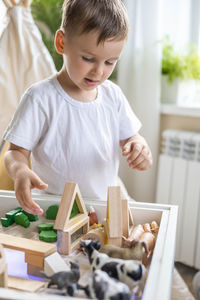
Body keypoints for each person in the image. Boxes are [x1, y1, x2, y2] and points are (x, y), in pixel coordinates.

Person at [3, 0, 152, 215]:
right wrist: (19, 170)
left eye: (110, 62)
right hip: (53, 210)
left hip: (102, 209)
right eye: (88, 58)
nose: (99, 71)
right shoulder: (40, 98)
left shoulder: (113, 96)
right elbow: (14, 152)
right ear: (62, 42)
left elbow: (131, 137)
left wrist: (139, 146)